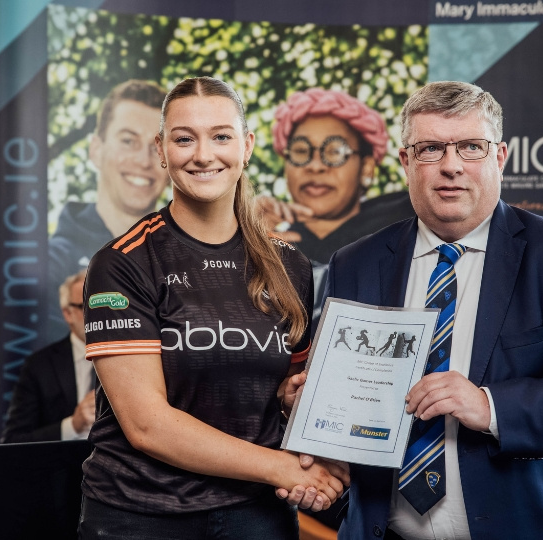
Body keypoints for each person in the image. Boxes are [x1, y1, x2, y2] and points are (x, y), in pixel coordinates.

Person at [286, 81, 543, 538]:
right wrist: (310, 405)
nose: (451, 166)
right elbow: (344, 403)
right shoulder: (355, 262)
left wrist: (488, 405)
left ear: (499, 157)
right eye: (431, 148)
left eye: (471, 147)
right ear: (406, 162)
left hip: (529, 528)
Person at [77, 76, 348, 540]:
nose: (203, 155)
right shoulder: (121, 264)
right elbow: (147, 426)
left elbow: (288, 392)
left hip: (257, 516)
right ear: (161, 150)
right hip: (141, 516)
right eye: (185, 139)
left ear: (247, 146)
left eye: (221, 136)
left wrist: (302, 412)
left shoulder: (291, 267)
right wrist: (285, 469)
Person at [258, 88, 415, 322]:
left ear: (366, 169)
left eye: (335, 152)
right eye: (301, 152)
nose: (316, 166)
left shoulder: (407, 221)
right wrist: (247, 239)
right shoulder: (270, 242)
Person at [47, 80, 171, 342]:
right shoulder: (51, 264)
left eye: (156, 147)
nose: (143, 161)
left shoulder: (185, 254)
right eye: (128, 141)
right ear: (96, 150)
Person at [1, 270, 96, 443]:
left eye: (99, 305)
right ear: (68, 314)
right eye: (86, 306)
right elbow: (13, 441)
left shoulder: (129, 357)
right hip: (64, 465)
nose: (96, 314)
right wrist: (72, 426)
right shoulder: (39, 366)